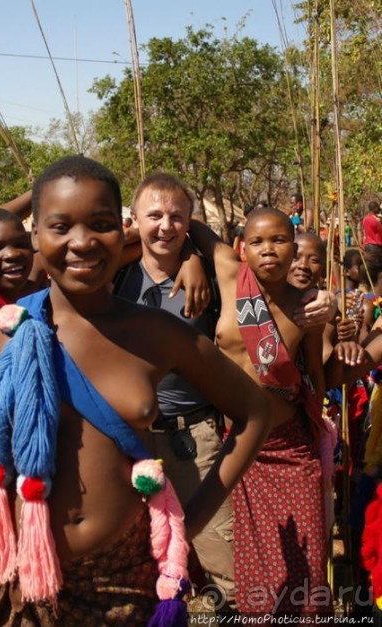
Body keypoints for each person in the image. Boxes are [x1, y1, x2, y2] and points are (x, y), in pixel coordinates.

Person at [0, 156, 272, 624]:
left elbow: (254, 412)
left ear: (122, 233)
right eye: (60, 226)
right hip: (25, 583)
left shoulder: (155, 333)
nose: (82, 242)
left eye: (100, 224)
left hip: (129, 581)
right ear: (36, 237)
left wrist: (186, 523)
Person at [190, 207, 334, 616]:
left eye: (279, 240)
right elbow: (190, 226)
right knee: (257, 562)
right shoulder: (230, 275)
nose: (268, 250)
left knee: (305, 567)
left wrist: (333, 307)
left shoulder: (306, 308)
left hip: (291, 450)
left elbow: (317, 378)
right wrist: (189, 260)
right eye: (257, 242)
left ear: (294, 247)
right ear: (242, 248)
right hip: (241, 448)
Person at [115, 172, 236, 611]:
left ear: (191, 222)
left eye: (176, 217)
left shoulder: (212, 283)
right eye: (154, 216)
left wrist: (194, 250)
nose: (165, 226)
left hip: (196, 440)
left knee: (225, 564)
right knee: (141, 562)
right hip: (130, 440)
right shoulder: (115, 278)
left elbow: (233, 264)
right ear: (134, 220)